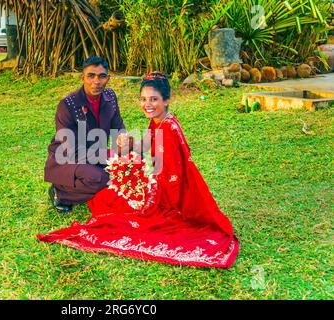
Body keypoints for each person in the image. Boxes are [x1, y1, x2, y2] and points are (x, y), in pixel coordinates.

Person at [39, 72, 239, 268]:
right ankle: (63, 189)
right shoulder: (160, 121)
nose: (148, 105)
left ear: (167, 100)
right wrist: (130, 146)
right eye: (143, 99)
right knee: (107, 187)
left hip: (164, 194)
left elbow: (172, 178)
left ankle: (62, 192)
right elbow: (148, 145)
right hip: (151, 181)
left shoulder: (169, 129)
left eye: (154, 99)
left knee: (106, 196)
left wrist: (140, 183)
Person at [44, 56, 126, 213]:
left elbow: (118, 127)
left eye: (102, 76)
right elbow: (73, 151)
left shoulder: (110, 97)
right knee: (102, 179)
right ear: (83, 78)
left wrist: (124, 143)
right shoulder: (67, 105)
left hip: (96, 156)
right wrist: (110, 155)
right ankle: (61, 192)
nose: (97, 81)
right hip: (68, 159)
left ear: (108, 78)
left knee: (131, 167)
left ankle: (80, 186)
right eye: (91, 76)